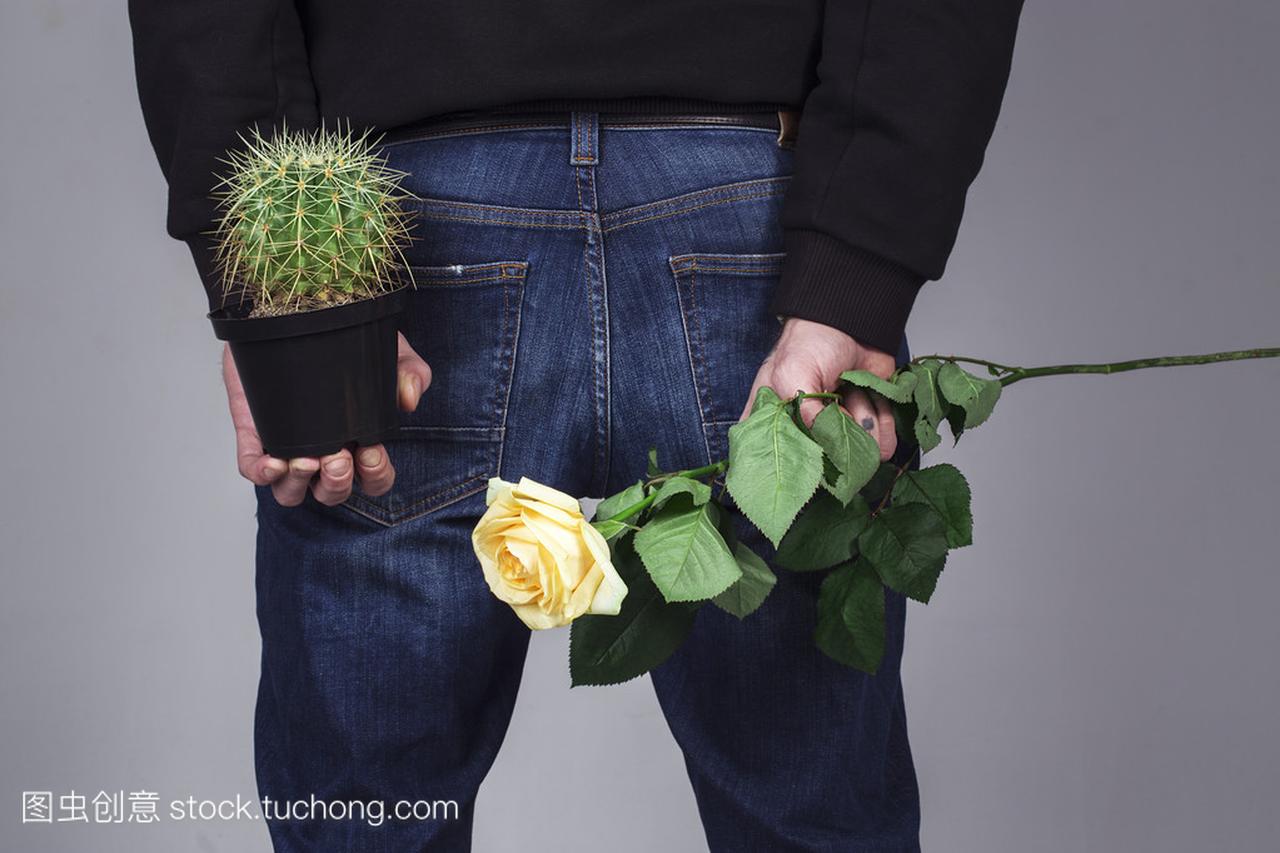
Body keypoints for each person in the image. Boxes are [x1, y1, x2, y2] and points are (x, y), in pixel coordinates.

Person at [129, 2, 1024, 849]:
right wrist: (853, 272)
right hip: (746, 214)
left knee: (363, 822)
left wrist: (281, 278)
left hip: (398, 213)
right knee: (815, 819)